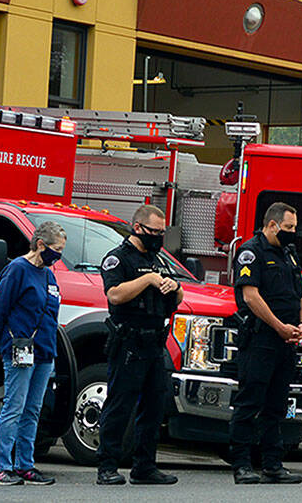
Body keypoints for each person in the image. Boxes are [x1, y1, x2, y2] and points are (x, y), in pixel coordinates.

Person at [96, 204, 185, 486]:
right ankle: (107, 466)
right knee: (120, 405)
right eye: (154, 232)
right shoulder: (118, 258)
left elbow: (178, 295)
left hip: (155, 343)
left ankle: (144, 467)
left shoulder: (159, 259)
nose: (158, 237)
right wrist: (146, 279)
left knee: (154, 407)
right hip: (129, 342)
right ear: (138, 228)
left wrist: (175, 287)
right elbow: (115, 295)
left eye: (162, 232)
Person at [228, 202, 302, 484]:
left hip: (286, 342)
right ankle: (241, 465)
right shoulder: (251, 252)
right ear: (272, 225)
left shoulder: (288, 253)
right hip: (261, 338)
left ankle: (273, 464)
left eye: (294, 228)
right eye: (288, 227)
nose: (292, 233)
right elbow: (250, 296)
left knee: (276, 405)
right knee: (250, 402)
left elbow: (301, 292)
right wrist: (279, 327)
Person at [0, 221, 66, 486]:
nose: (58, 256)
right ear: (40, 245)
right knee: (14, 407)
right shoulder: (18, 270)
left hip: (44, 351)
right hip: (19, 348)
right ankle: (2, 466)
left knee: (33, 409)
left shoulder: (48, 274)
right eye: (56, 250)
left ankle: (25, 464)